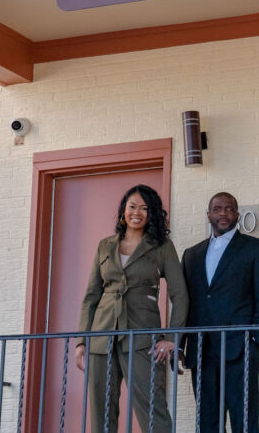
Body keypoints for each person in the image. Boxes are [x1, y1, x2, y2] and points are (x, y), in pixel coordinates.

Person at [75, 184, 188, 433]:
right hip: (102, 336)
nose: (137, 212)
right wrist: (82, 340)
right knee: (101, 411)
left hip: (142, 337)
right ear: (123, 210)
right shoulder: (105, 246)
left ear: (153, 214)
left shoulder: (162, 246)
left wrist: (172, 338)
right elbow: (91, 296)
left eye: (145, 208)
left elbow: (180, 295)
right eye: (132, 206)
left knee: (152, 410)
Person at [181, 192, 259, 433]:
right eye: (217, 209)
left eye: (229, 209)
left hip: (241, 349)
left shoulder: (258, 250)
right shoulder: (191, 255)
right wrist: (181, 343)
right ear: (208, 215)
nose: (223, 213)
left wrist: (258, 342)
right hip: (201, 350)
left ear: (237, 215)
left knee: (244, 421)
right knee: (207, 424)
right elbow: (185, 303)